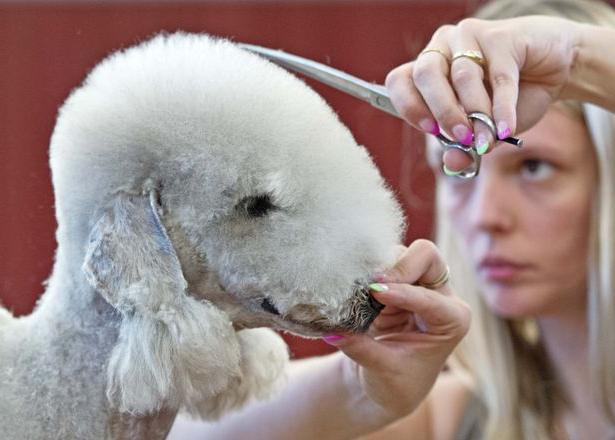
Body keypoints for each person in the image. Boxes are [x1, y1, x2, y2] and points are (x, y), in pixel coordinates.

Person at [168, 0, 615, 438]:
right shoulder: (451, 419)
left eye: (534, 168)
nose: (485, 217)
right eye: (458, 169)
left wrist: (580, 59)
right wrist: (358, 390)